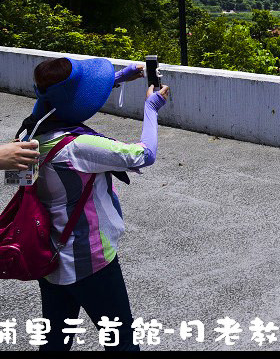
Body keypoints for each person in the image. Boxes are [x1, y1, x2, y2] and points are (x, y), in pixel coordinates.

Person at [20, 57, 169, 352]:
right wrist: (150, 109)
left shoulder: (28, 138)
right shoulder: (78, 147)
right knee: (122, 341)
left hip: (50, 258)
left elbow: (18, 181)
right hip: (91, 262)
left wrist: (120, 78)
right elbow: (143, 155)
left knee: (54, 343)